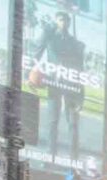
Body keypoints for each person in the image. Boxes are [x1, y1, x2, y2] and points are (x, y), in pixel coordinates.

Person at [29, 11, 86, 160]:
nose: (63, 23)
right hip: (53, 83)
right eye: (60, 20)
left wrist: (81, 96)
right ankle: (50, 155)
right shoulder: (50, 38)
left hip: (71, 85)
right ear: (56, 21)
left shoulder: (75, 43)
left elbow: (80, 70)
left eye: (65, 20)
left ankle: (74, 160)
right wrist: (30, 76)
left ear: (69, 22)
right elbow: (36, 51)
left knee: (73, 122)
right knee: (52, 121)